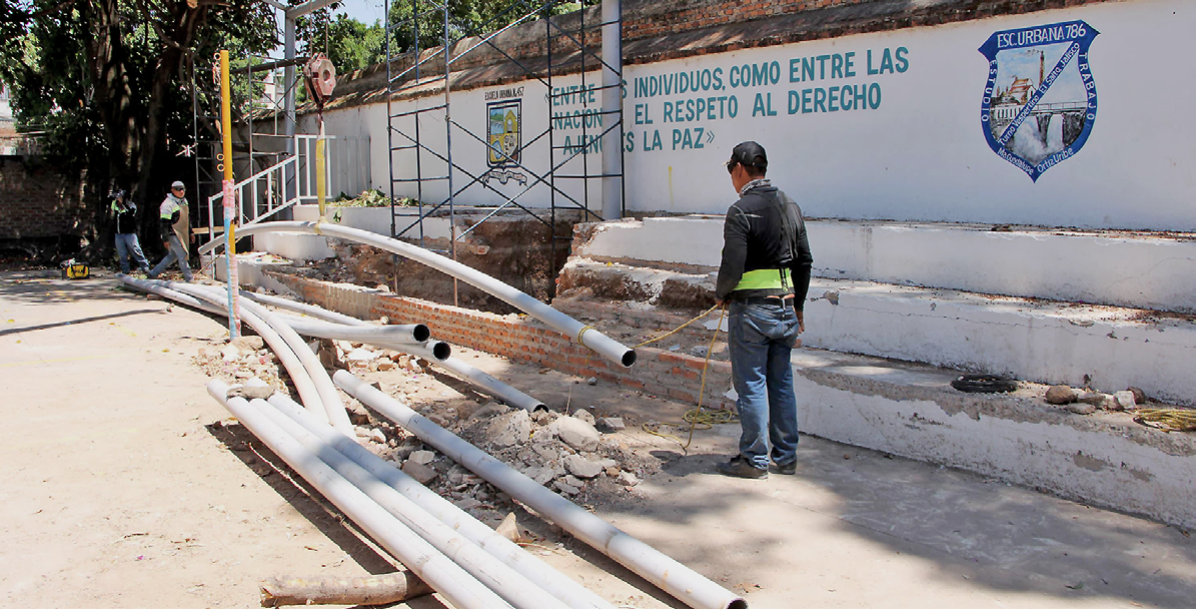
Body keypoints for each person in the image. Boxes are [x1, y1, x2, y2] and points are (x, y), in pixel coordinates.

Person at [713, 141, 813, 479]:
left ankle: (754, 460)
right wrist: (797, 306)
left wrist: (721, 294)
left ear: (739, 169)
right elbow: (804, 260)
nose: (732, 178)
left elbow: (733, 264)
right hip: (785, 309)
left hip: (752, 313)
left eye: (731, 172)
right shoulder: (791, 206)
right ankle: (786, 458)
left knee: (752, 385)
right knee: (781, 383)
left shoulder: (741, 210)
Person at [148, 180, 194, 282]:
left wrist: (191, 232)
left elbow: (187, 218)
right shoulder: (167, 204)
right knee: (183, 255)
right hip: (173, 234)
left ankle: (153, 273)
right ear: (172, 190)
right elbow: (164, 223)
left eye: (183, 189)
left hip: (183, 233)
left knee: (172, 257)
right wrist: (165, 239)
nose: (181, 191)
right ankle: (189, 278)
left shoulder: (184, 201)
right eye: (178, 189)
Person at [110, 189, 151, 275]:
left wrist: (123, 203)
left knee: (136, 249)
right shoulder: (114, 204)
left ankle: (145, 267)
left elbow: (130, 213)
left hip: (130, 233)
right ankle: (125, 270)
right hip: (118, 234)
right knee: (122, 253)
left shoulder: (131, 205)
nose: (118, 198)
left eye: (120, 197)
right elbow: (110, 203)